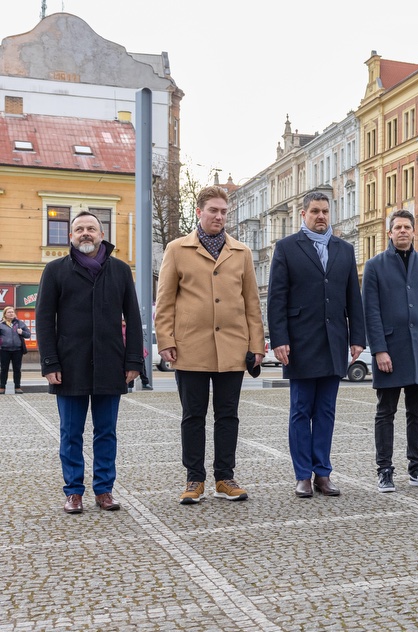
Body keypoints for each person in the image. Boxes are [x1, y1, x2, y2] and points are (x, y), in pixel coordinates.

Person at [155, 186, 265, 504]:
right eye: (213, 210)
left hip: (233, 347)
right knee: (193, 415)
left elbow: (251, 304)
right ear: (199, 212)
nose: (219, 216)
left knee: (228, 415)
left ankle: (225, 477)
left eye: (224, 211)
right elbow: (165, 302)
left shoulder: (241, 253)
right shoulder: (177, 250)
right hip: (191, 348)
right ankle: (194, 480)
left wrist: (257, 345)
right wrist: (166, 340)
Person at [35, 211, 144, 513]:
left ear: (101, 234)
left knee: (106, 432)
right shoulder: (55, 270)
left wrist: (133, 360)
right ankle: (73, 492)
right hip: (69, 366)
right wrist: (49, 363)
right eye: (79, 229)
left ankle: (104, 490)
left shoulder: (120, 270)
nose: (86, 233)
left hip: (111, 364)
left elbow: (133, 319)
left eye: (91, 229)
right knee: (70, 433)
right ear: (70, 236)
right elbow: (44, 320)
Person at [268, 190, 365, 498]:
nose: (321, 216)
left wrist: (357, 338)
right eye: (315, 211)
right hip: (299, 343)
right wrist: (279, 339)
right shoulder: (286, 248)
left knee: (325, 411)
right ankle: (302, 476)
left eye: (325, 211)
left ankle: (322, 473)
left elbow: (353, 298)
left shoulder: (344, 250)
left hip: (334, 342)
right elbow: (276, 299)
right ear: (304, 215)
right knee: (300, 410)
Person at [363, 209, 418, 493]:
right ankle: (384, 469)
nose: (402, 231)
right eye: (397, 227)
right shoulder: (374, 266)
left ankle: (417, 468)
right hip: (390, 351)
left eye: (406, 227)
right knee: (385, 411)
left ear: (413, 232)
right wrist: (379, 350)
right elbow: (370, 312)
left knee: (417, 412)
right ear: (389, 232)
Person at [0, 306, 30, 394]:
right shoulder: (1, 324)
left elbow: (28, 334)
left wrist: (22, 332)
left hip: (17, 350)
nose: (11, 313)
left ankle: (17, 387)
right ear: (5, 314)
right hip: (4, 350)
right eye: (9, 312)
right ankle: (2, 387)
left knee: (17, 369)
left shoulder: (20, 323)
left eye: (12, 312)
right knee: (4, 369)